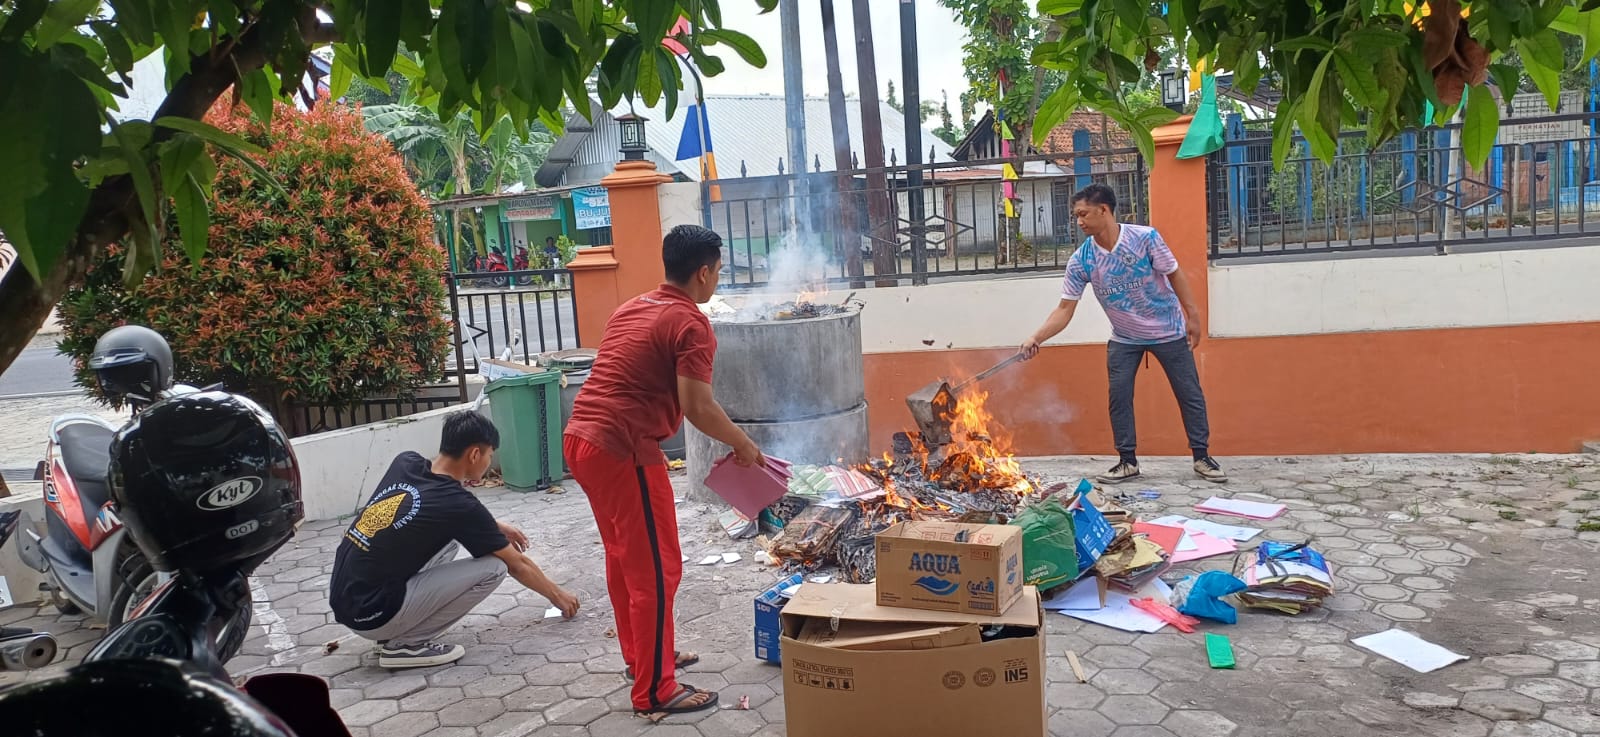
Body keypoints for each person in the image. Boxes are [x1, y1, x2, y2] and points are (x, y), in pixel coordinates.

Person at [563, 224, 762, 716]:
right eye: (717, 270)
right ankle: (655, 690)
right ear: (703, 272)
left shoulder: (632, 306)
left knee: (624, 559)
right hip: (623, 449)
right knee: (657, 569)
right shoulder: (692, 323)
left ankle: (643, 659)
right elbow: (697, 405)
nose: (717, 278)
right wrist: (743, 445)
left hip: (582, 440)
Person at [330, 411, 580, 669]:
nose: (489, 462)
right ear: (474, 454)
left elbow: (423, 508)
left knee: (449, 541)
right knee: (494, 568)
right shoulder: (458, 505)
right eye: (489, 455)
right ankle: (406, 645)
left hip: (347, 599)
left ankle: (394, 628)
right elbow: (518, 564)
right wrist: (558, 595)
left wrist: (493, 526)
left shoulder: (406, 463)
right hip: (372, 614)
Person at [1021, 183, 1227, 485]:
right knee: (1119, 397)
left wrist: (1193, 317)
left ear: (1103, 210)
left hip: (1168, 331)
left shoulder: (1145, 239)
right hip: (1124, 337)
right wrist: (1036, 337)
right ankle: (1127, 461)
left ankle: (1202, 457)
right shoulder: (1082, 259)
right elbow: (1065, 309)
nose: (1078, 222)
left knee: (1189, 393)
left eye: (1083, 214)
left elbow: (1174, 274)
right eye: (1075, 216)